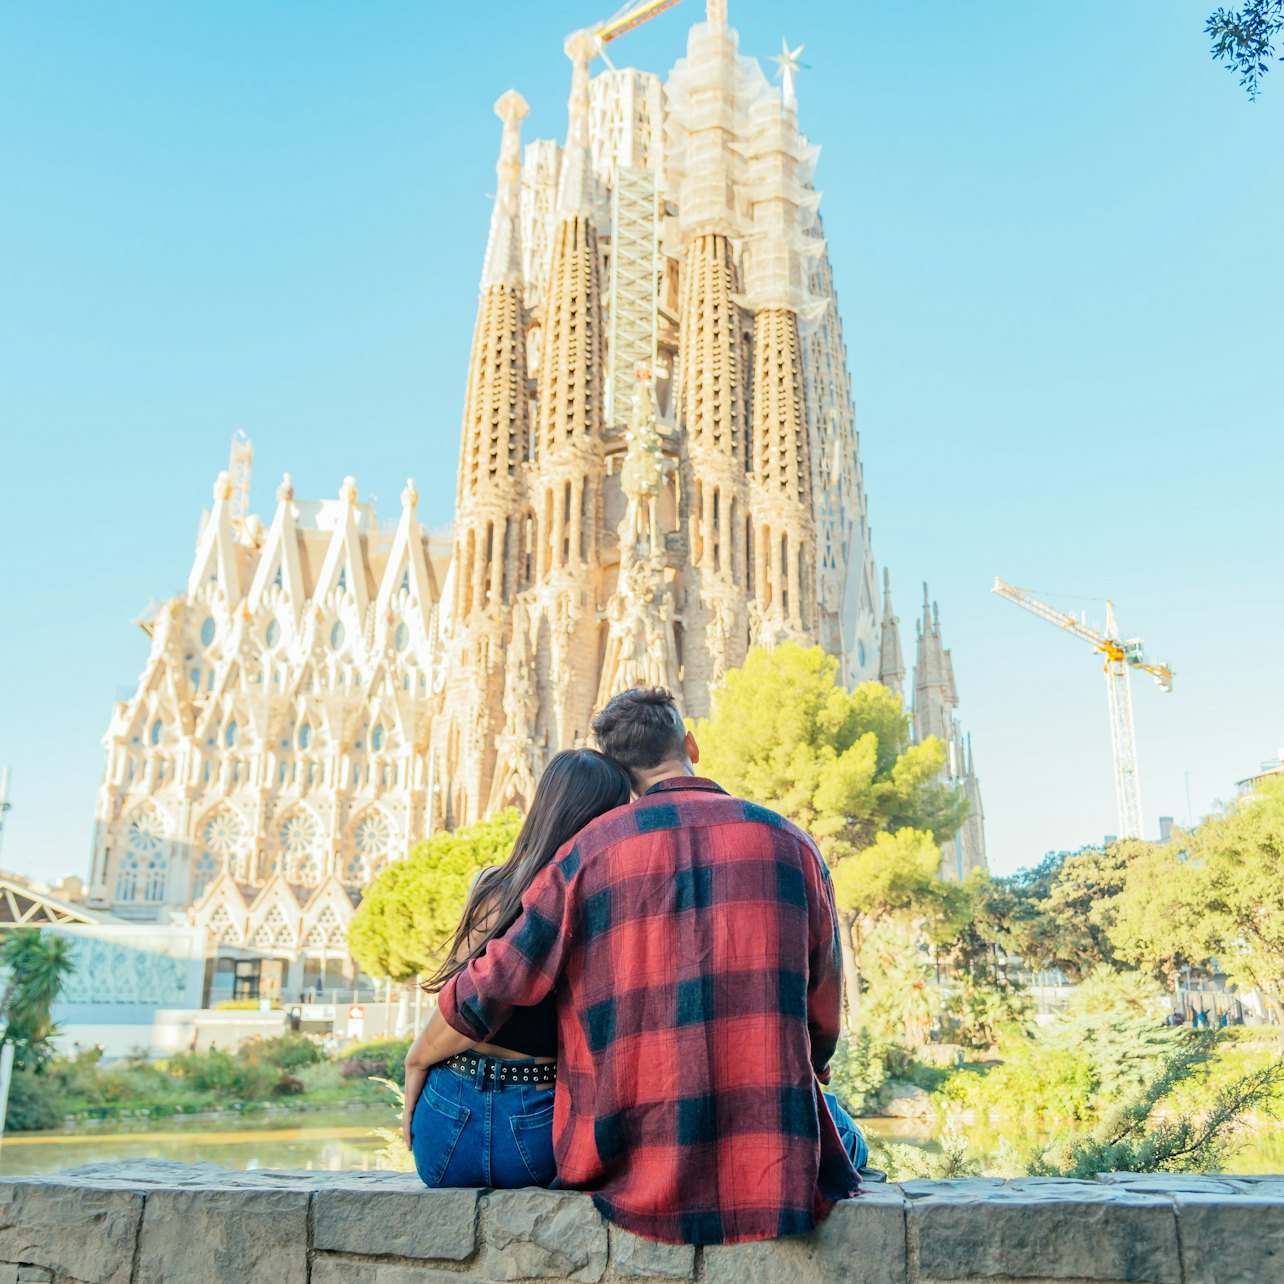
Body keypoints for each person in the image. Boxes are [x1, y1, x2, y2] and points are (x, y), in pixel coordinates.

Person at [407, 686, 860, 1245]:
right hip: (772, 1149)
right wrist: (802, 1070)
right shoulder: (793, 843)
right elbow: (824, 1008)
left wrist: (418, 1057)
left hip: (635, 1159)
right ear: (690, 744)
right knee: (846, 1135)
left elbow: (493, 983)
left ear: (619, 772)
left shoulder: (587, 854)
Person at [403, 748, 630, 1189]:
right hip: (538, 1130)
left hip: (443, 1127)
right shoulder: (601, 901)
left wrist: (416, 1061)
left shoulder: (491, 886)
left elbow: (464, 1001)